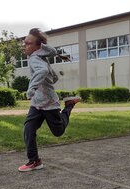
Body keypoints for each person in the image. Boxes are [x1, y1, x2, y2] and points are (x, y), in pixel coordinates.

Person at [18, 28, 81, 172]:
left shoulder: (35, 58)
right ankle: (34, 161)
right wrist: (58, 54)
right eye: (24, 42)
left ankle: (69, 106)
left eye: (28, 43)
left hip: (49, 103)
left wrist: (31, 89)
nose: (24, 45)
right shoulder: (37, 55)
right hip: (37, 104)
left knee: (58, 131)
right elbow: (51, 52)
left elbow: (42, 71)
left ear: (37, 47)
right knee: (29, 128)